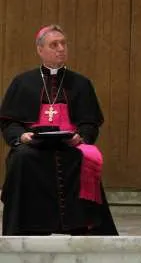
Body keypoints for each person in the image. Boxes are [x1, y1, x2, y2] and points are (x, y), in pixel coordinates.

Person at [0, 25, 118, 235]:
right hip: (33, 145)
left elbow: (90, 122)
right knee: (21, 158)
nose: (61, 48)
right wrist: (21, 136)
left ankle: (84, 228)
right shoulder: (23, 82)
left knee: (84, 158)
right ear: (40, 50)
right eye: (54, 45)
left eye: (63, 44)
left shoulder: (81, 83)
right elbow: (9, 122)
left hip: (70, 144)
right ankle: (25, 228)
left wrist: (81, 137)